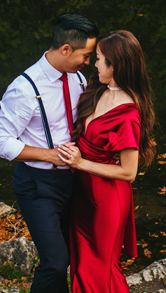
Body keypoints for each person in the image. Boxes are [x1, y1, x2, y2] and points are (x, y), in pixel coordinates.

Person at [0, 14, 98, 293]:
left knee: (73, 254)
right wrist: (49, 155)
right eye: (85, 56)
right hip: (37, 185)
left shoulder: (77, 79)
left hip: (73, 181)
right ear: (66, 49)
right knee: (55, 261)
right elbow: (0, 142)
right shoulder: (24, 88)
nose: (87, 63)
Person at [57, 30, 156, 293]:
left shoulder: (127, 113)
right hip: (83, 194)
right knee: (81, 264)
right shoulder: (99, 91)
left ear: (117, 65)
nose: (94, 63)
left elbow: (129, 172)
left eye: (100, 59)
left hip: (107, 199)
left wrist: (80, 164)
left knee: (100, 267)